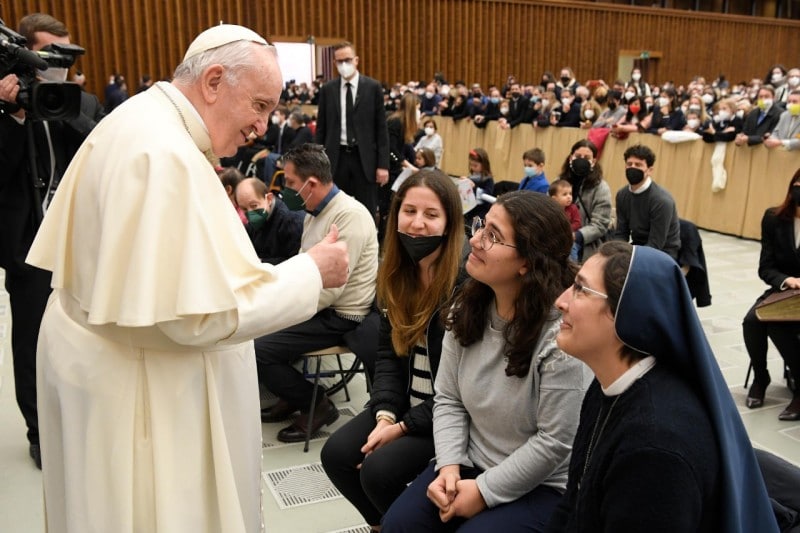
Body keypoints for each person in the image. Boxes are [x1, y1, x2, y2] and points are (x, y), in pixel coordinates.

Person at [26, 25, 350, 532]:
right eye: (260, 105)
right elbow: (195, 316)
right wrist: (311, 273)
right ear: (215, 80)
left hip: (104, 364)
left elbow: (190, 273)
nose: (263, 127)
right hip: (136, 393)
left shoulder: (144, 122)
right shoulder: (164, 155)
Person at [381, 191, 589, 532]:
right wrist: (449, 467)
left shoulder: (559, 337)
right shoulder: (468, 307)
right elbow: (448, 399)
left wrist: (483, 491)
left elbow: (555, 442)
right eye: (481, 226)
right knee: (400, 525)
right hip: (470, 462)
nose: (474, 240)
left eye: (493, 236)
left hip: (543, 484)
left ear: (527, 262)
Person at [547, 241, 779, 533]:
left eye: (581, 289)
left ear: (626, 313)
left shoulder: (654, 450)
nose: (561, 300)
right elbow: (573, 502)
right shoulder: (607, 384)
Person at [321, 170, 465, 530]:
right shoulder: (396, 275)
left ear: (450, 223)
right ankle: (384, 525)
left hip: (447, 415)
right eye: (409, 211)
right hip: (404, 406)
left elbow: (462, 390)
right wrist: (385, 414)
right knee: (337, 455)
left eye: (431, 215)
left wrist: (400, 428)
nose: (416, 224)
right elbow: (387, 357)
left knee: (377, 471)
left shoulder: (465, 285)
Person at [0, 12, 105, 469]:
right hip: (27, 248)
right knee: (31, 341)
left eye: (62, 56)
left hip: (80, 246)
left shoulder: (81, 102)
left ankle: (87, 417)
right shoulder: (4, 110)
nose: (54, 65)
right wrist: (15, 117)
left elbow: (101, 149)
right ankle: (40, 430)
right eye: (45, 56)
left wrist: (56, 108)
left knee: (89, 336)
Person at [257, 143, 379, 443]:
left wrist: (281, 306)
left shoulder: (350, 216)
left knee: (257, 350)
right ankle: (296, 398)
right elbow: (305, 268)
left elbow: (331, 288)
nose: (287, 190)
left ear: (311, 184)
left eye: (290, 183)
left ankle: (318, 404)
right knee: (255, 328)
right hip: (319, 307)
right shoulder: (314, 212)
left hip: (341, 316)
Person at [742, 169, 800, 421]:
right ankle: (761, 377)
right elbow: (765, 267)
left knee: (779, 327)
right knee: (752, 321)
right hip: (784, 291)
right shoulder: (774, 218)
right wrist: (787, 281)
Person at [315, 41, 390, 217]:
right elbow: (321, 130)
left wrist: (383, 165)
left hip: (364, 158)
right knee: (335, 208)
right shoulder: (327, 90)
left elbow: (381, 129)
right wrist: (317, 162)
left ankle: (368, 243)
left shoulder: (373, 88)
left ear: (356, 60)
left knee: (367, 209)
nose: (344, 65)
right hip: (336, 157)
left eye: (347, 60)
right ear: (334, 63)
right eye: (339, 61)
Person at [612, 144, 681, 260]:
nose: (632, 168)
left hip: (663, 254)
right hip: (637, 247)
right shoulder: (622, 195)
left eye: (638, 165)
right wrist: (616, 254)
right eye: (629, 164)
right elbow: (621, 233)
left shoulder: (661, 201)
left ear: (649, 170)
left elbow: (655, 244)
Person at [558, 140, 612, 261]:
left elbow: (600, 224)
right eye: (578, 156)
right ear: (571, 158)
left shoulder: (601, 188)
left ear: (593, 162)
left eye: (586, 157)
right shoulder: (559, 182)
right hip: (557, 244)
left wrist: (576, 236)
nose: (581, 159)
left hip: (586, 249)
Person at [235, 176, 304, 264]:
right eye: (244, 208)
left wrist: (261, 262)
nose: (250, 213)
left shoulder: (291, 221)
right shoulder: (255, 221)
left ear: (269, 199)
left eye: (254, 205)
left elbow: (296, 262)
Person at [549, 179, 582, 261]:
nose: (569, 197)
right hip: (553, 239)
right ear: (554, 198)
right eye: (564, 194)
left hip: (568, 238)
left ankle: (573, 265)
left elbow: (577, 222)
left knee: (572, 250)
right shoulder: (550, 210)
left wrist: (566, 229)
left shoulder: (573, 208)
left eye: (570, 194)